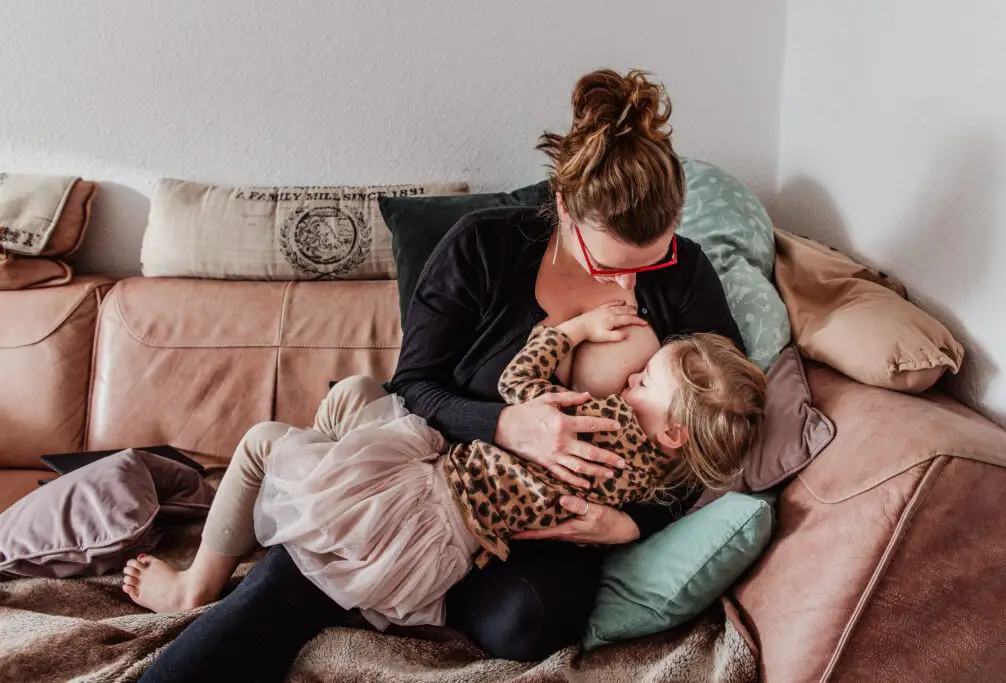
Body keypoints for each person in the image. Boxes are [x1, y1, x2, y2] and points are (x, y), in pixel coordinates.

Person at [137, 68, 745, 682]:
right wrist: (509, 424)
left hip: (537, 520)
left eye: (656, 257)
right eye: (608, 264)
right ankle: (294, 564)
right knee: (301, 575)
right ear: (562, 206)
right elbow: (417, 387)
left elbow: (714, 432)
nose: (629, 285)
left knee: (531, 622)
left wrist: (632, 523)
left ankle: (385, 574)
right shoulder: (484, 245)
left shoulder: (687, 277)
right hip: (433, 466)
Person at [123, 306, 765, 629]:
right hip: (443, 550)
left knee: (265, 442)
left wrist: (571, 329)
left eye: (644, 380)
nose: (629, 377)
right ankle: (303, 506)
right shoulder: (650, 481)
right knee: (352, 395)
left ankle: (195, 588)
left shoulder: (604, 424)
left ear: (674, 430)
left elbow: (519, 381)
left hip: (424, 497)